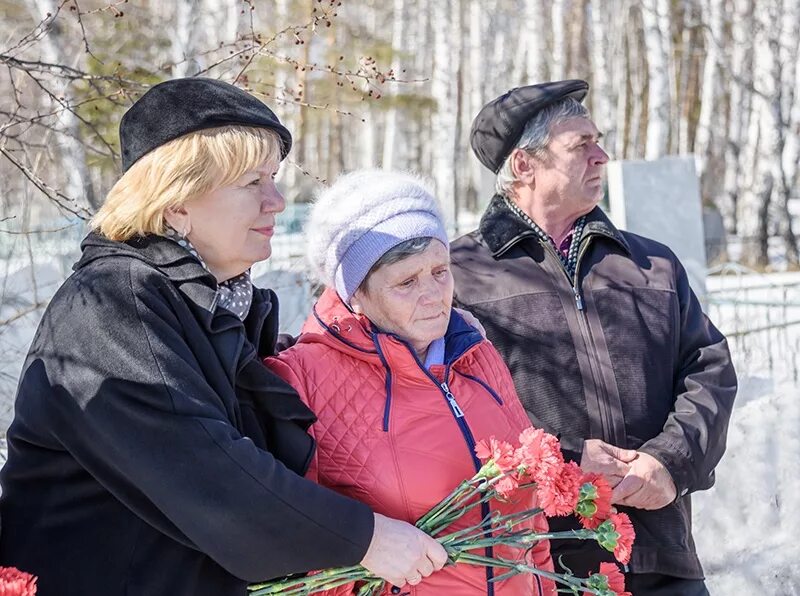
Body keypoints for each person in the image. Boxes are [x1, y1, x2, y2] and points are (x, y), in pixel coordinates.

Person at [0, 78, 447, 596]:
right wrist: (365, 538)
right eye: (252, 182)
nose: (277, 201)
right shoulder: (112, 301)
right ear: (176, 202)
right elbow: (204, 471)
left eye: (274, 178)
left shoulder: (220, 304)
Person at [449, 80, 738, 595]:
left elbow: (708, 367)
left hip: (661, 555)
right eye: (580, 145)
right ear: (524, 166)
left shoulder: (651, 264)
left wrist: (669, 461)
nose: (601, 156)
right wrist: (566, 458)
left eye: (598, 141)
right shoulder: (458, 276)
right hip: (534, 565)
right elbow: (450, 408)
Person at [264, 169, 556, 595]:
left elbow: (527, 517)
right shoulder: (302, 377)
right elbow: (298, 541)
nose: (434, 295)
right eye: (406, 282)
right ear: (355, 294)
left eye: (440, 271)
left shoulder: (476, 353)